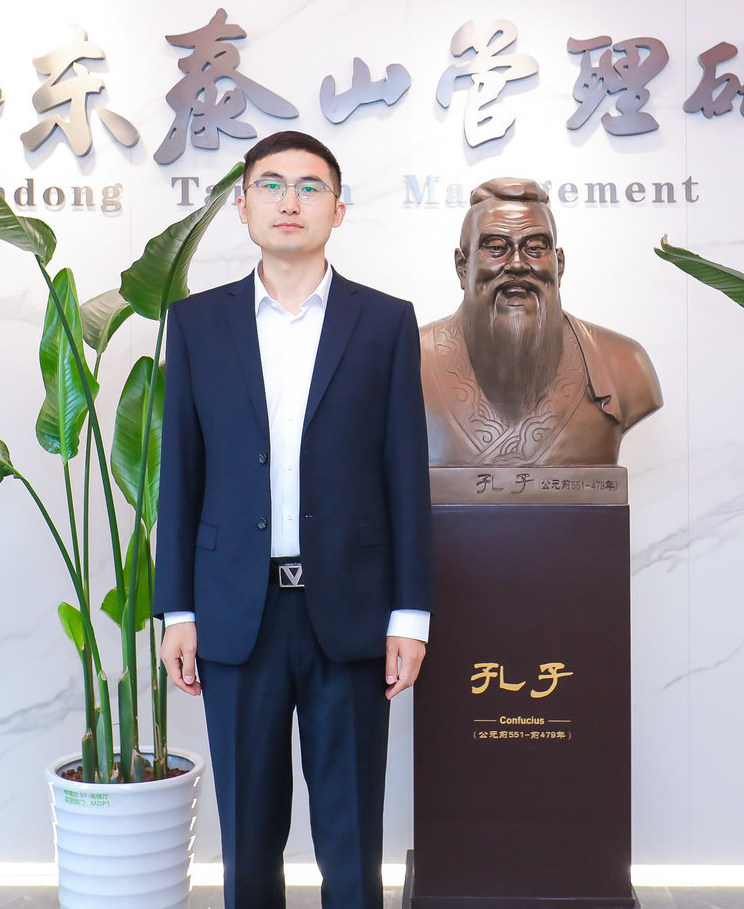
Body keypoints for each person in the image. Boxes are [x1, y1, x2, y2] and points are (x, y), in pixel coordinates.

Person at [153, 131, 432, 909]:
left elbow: (405, 475)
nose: (289, 201)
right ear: (242, 205)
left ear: (337, 210)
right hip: (235, 610)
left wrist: (411, 613)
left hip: (351, 609)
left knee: (351, 839)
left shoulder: (384, 323)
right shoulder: (197, 323)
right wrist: (177, 609)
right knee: (248, 840)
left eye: (310, 187)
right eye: (270, 185)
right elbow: (181, 473)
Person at [420, 177, 662, 466]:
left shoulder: (623, 364)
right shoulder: (412, 359)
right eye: (496, 247)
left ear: (559, 265)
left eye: (535, 248)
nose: (517, 264)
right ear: (462, 266)